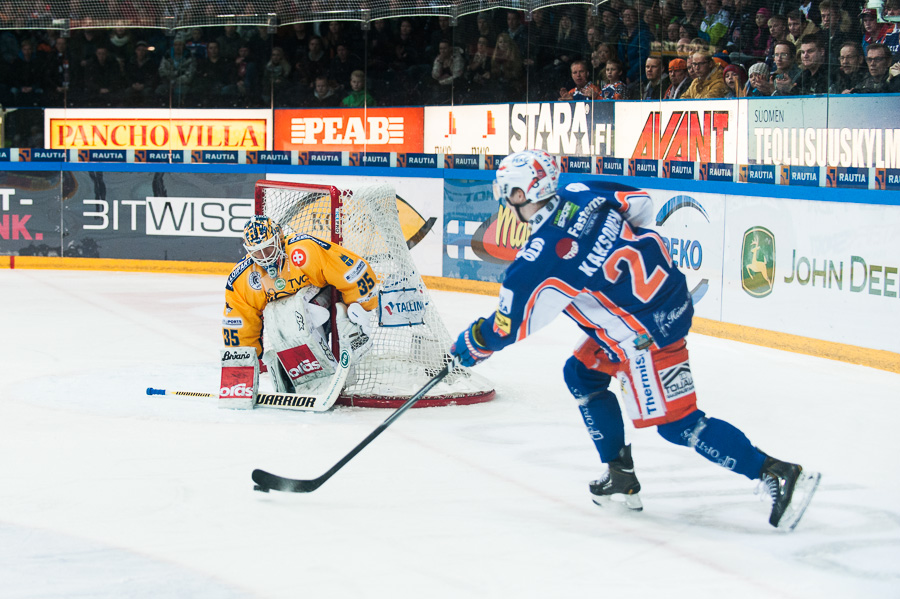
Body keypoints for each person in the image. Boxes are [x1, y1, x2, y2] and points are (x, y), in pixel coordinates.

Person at [449, 149, 822, 531]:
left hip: (646, 334)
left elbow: (506, 328)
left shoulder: (538, 260)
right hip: (668, 297)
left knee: (677, 425)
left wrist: (468, 346)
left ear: (517, 194)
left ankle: (773, 472)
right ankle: (621, 477)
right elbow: (641, 205)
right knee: (582, 374)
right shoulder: (583, 191)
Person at [223, 215, 379, 390]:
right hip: (291, 313)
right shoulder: (243, 278)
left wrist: (360, 313)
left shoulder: (304, 249)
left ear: (279, 238)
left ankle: (333, 363)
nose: (264, 256)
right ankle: (302, 374)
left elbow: (350, 269)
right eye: (257, 251)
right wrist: (242, 368)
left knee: (300, 313)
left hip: (324, 301)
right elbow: (240, 322)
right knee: (278, 317)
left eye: (268, 247)